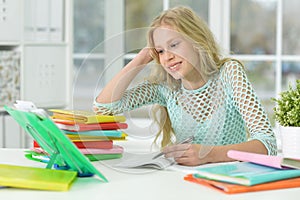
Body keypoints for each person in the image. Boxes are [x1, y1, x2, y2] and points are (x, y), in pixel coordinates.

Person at [93, 6, 277, 166]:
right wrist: (141, 58)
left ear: (196, 41)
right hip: (184, 182)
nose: (167, 56)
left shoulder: (229, 73)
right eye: (160, 51)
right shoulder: (166, 87)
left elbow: (267, 144)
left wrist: (208, 155)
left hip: (229, 180)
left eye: (174, 44)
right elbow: (103, 107)